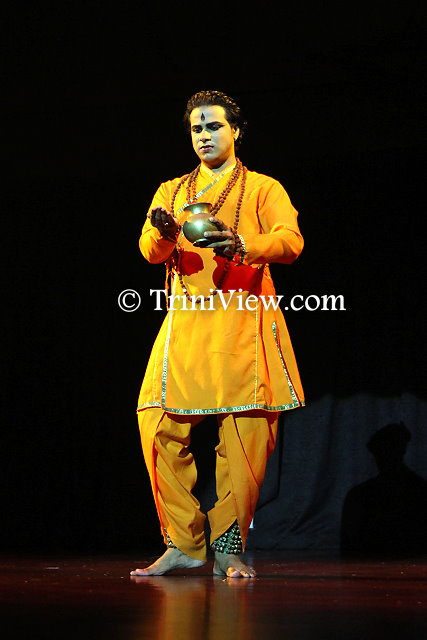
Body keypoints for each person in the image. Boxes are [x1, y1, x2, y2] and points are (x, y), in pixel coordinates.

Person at [131, 90, 305, 578]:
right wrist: (165, 233)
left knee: (245, 435)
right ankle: (184, 543)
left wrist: (244, 243)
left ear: (236, 131)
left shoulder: (263, 188)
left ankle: (228, 546)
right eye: (196, 128)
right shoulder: (170, 191)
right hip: (186, 322)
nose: (204, 136)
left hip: (243, 321)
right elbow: (148, 250)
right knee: (157, 425)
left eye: (214, 126)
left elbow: (290, 241)